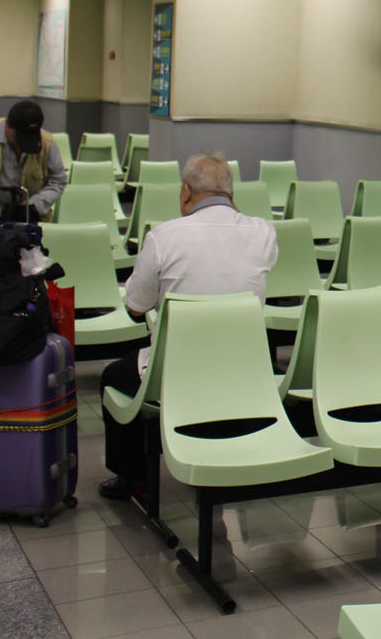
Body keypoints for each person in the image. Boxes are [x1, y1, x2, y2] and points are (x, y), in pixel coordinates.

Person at [97, 151, 278, 500]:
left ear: (185, 193)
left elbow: (136, 307)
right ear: (231, 195)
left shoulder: (163, 237)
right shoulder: (264, 233)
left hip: (176, 375)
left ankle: (133, 479)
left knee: (113, 378)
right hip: (242, 370)